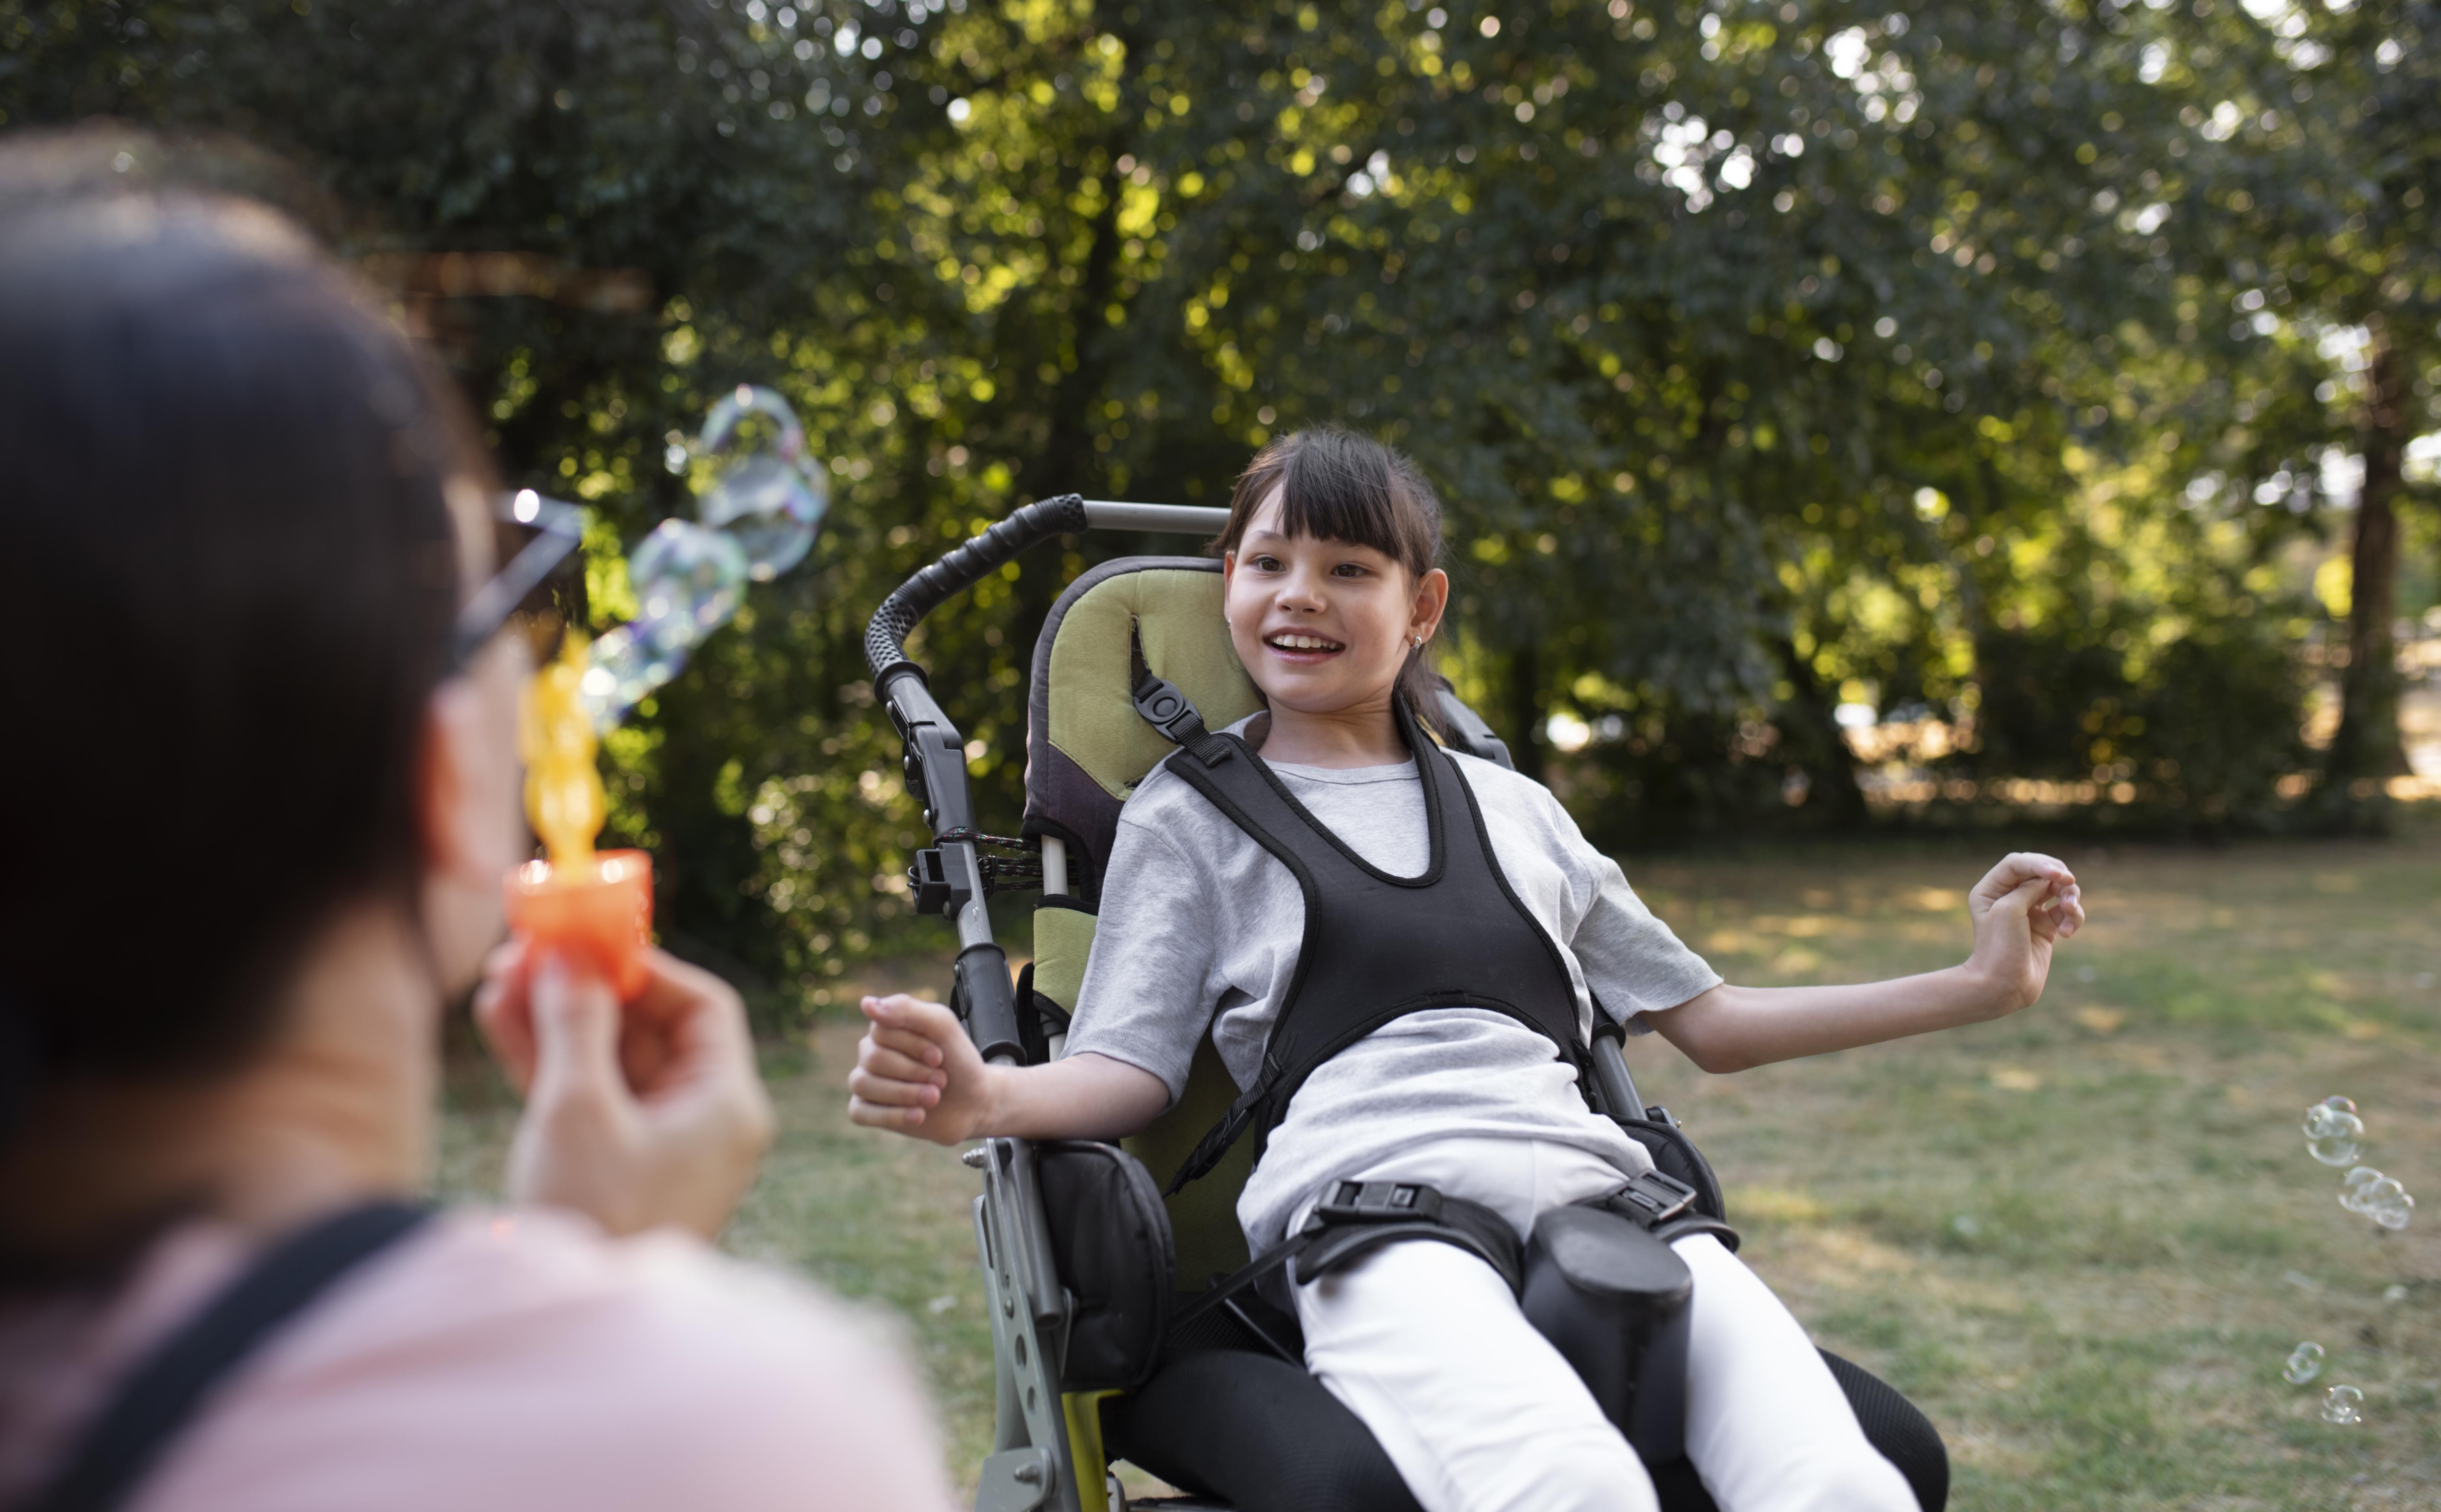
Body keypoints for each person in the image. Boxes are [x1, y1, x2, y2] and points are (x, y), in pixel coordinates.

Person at [850, 427, 2086, 1512]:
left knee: (1841, 1484)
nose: (1301, 597)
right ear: (1228, 583)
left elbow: (1711, 1021)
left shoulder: (1519, 810)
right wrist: (989, 1098)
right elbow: (1127, 1068)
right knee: (1574, 1489)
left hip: (1613, 1217)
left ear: (1422, 605)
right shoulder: (1190, 815)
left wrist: (1978, 985)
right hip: (1383, 1230)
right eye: (1269, 564)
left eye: (1349, 570)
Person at [0, 137, 955, 1512]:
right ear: (440, 786)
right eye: (504, 592)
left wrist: (572, 1264)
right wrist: (624, 1319)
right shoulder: (736, 1442)